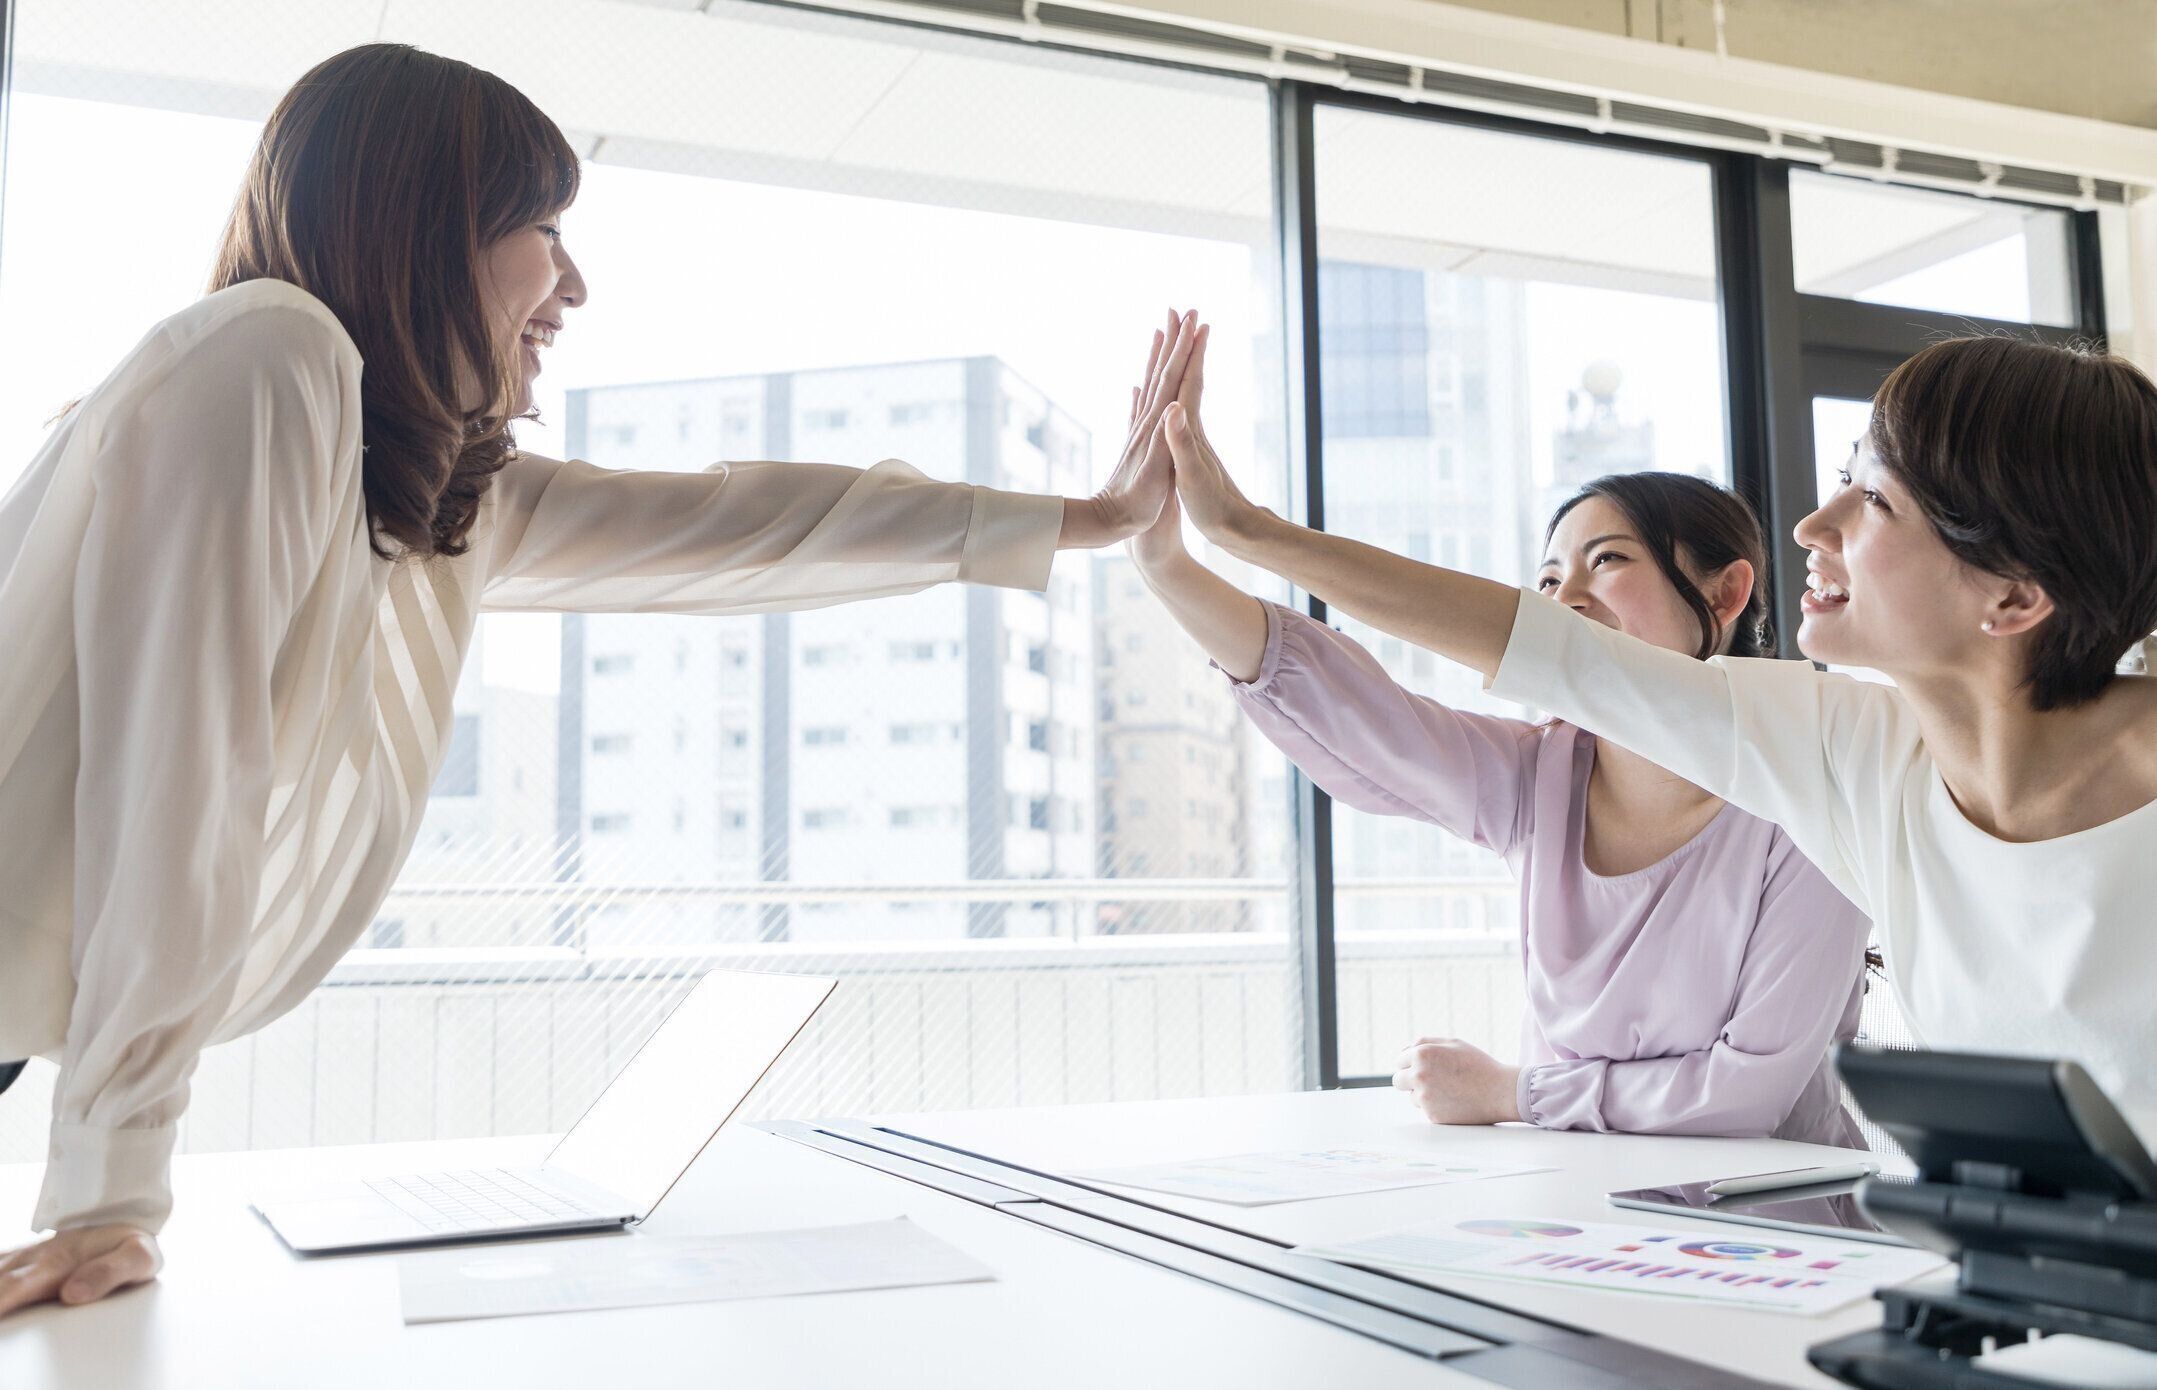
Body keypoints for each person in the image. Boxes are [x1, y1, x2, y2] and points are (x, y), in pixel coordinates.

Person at [0, 42, 1200, 1316]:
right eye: (540, 228)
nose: (572, 282)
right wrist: (108, 1196)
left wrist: (1089, 514)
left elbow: (739, 525)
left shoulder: (414, 476)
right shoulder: (267, 356)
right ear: (417, 228)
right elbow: (178, 782)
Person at [1153, 327, 2157, 1146]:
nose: (1815, 523)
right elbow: (1546, 655)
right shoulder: (1848, 751)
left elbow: (1749, 1093)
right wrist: (1247, 534)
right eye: (1850, 476)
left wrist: (1519, 1090)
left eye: (1878, 500)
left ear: (2016, 596)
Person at [1127, 347, 1869, 1143]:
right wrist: (1163, 561)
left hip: (1774, 1234)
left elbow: (1744, 1095)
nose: (1565, 599)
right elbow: (1345, 706)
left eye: (1607, 560)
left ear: (1725, 593)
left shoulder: (1808, 789)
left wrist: (1515, 1094)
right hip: (1582, 1216)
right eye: (1547, 580)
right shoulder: (1537, 778)